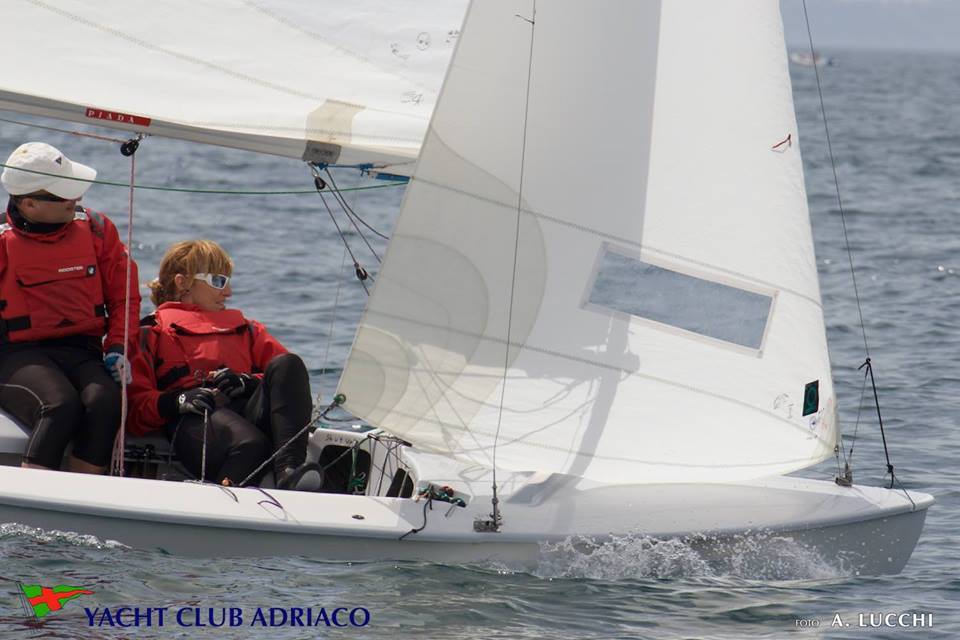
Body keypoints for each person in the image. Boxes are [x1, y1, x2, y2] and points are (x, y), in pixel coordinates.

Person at [128, 240, 321, 491]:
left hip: (245, 413)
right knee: (250, 444)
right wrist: (176, 401)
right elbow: (134, 409)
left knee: (289, 363)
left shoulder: (249, 330)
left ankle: (289, 472)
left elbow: (285, 382)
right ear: (182, 282)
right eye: (218, 281)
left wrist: (247, 382)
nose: (228, 292)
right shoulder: (151, 333)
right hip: (195, 423)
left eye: (228, 281)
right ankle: (224, 506)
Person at [0, 142, 140, 474]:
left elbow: (124, 296)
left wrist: (119, 346)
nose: (75, 200)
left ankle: (83, 507)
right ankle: (30, 512)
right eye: (64, 195)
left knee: (106, 402)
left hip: (80, 350)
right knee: (60, 405)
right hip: (14, 354)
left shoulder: (97, 230)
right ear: (30, 204)